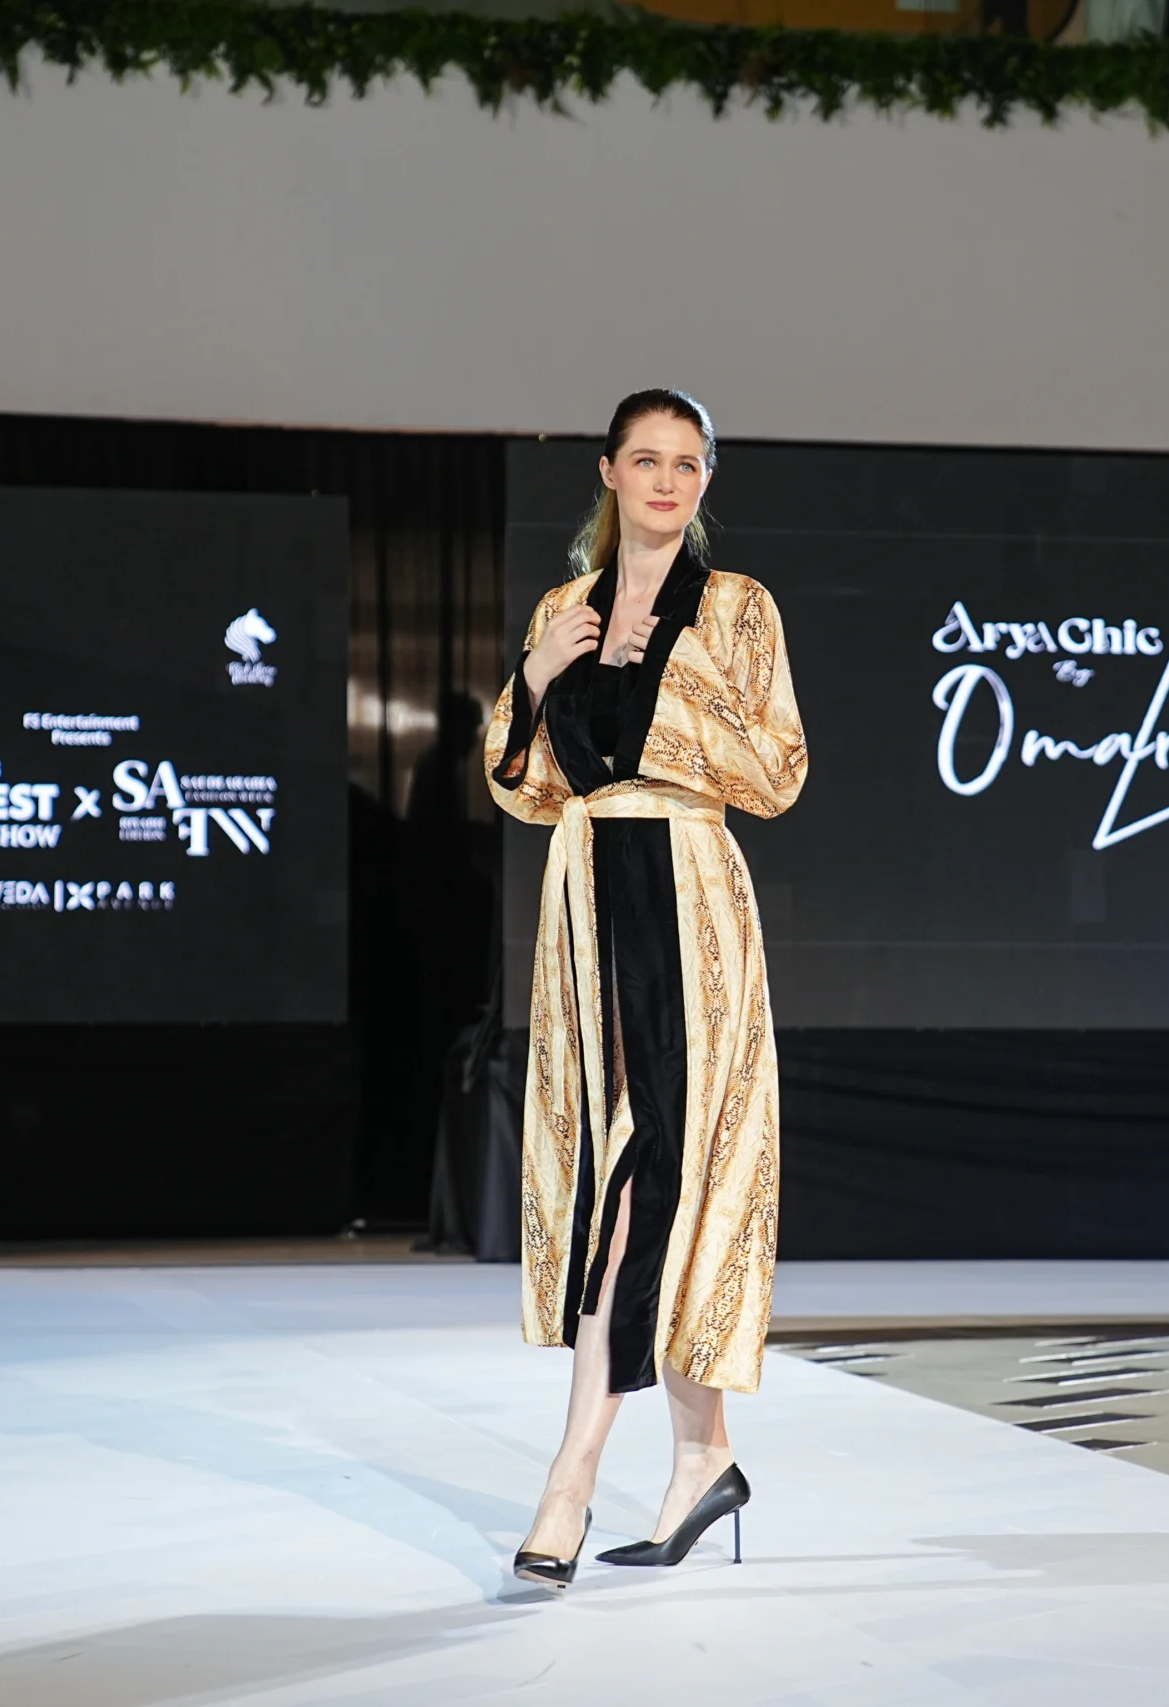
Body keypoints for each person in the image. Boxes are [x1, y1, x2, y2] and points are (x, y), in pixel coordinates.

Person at [485, 389, 808, 1586]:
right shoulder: (561, 610)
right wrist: (534, 677)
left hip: (690, 898)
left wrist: (669, 689)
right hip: (585, 904)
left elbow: (777, 773)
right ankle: (702, 1460)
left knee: (650, 1177)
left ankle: (568, 1478)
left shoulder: (737, 609)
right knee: (630, 1178)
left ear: (703, 481)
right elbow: (524, 790)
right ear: (609, 473)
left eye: (688, 463)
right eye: (647, 459)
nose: (668, 481)